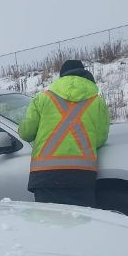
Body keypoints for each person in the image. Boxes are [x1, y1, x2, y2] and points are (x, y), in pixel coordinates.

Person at [18, 59, 110, 207]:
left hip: (45, 175)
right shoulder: (97, 101)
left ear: (61, 76)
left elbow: (26, 133)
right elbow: (100, 139)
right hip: (82, 175)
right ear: (85, 74)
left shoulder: (43, 98)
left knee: (48, 224)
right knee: (81, 224)